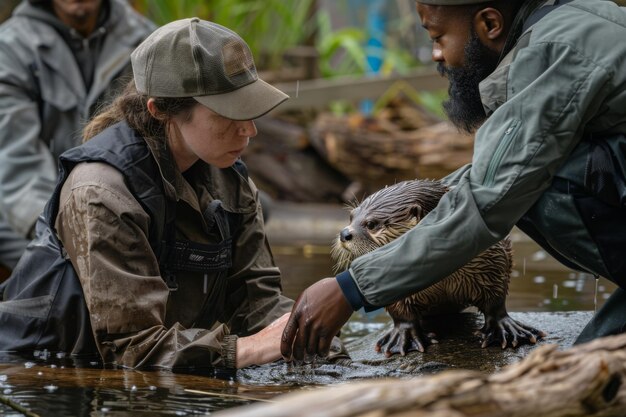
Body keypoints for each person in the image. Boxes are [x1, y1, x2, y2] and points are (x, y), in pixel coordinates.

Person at [281, 0, 626, 361]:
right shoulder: (577, 20)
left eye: (438, 36)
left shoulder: (552, 52)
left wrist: (352, 289)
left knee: (541, 188)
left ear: (490, 23)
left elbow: (493, 193)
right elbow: (492, 176)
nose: (435, 54)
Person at [0, 17, 301, 370]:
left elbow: (260, 303)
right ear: (159, 110)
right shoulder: (100, 193)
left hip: (143, 372)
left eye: (250, 109)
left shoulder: (232, 185)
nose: (249, 130)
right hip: (42, 375)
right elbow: (133, 347)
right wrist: (248, 350)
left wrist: (312, 338)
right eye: (229, 113)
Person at [0, 0, 155, 272]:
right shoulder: (9, 49)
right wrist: (78, 233)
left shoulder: (146, 41)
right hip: (33, 214)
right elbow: (18, 166)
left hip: (129, 211)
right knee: (63, 271)